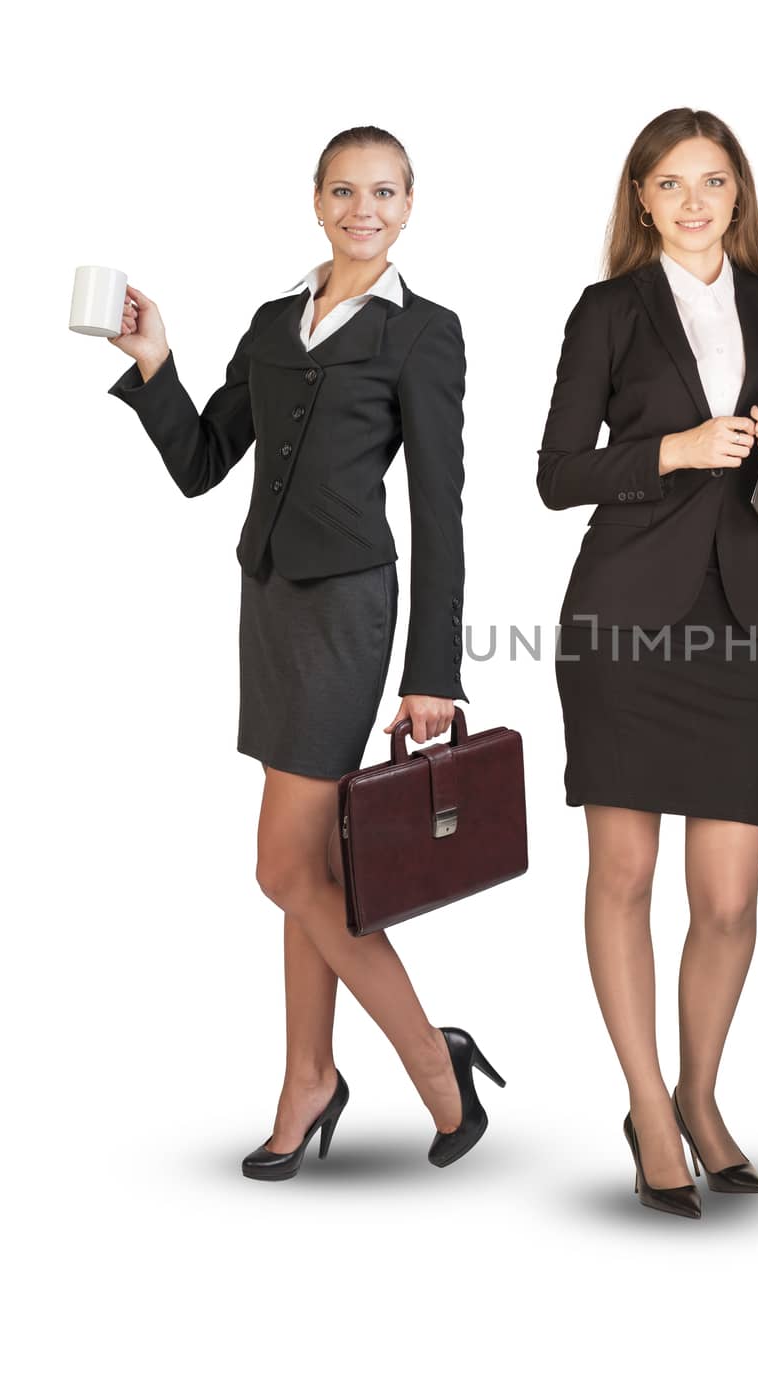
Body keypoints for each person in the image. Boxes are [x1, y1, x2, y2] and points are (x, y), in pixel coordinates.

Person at [103, 125, 501, 1179]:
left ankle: (432, 1060)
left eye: (383, 191)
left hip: (350, 614)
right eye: (342, 189)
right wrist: (155, 365)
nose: (361, 209)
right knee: (311, 867)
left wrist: (432, 671)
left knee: (280, 863)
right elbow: (203, 462)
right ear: (315, 198)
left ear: (408, 205)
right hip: (271, 605)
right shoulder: (276, 320)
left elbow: (439, 512)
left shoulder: (426, 334)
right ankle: (308, 1077)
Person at [537, 107, 758, 1217]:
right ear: (642, 200)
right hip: (622, 622)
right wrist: (670, 449)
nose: (696, 200)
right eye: (672, 183)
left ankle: (698, 1093)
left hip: (742, 624)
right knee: (623, 878)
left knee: (727, 900)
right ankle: (647, 1107)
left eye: (714, 181)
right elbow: (558, 471)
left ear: (739, 195)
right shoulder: (609, 310)